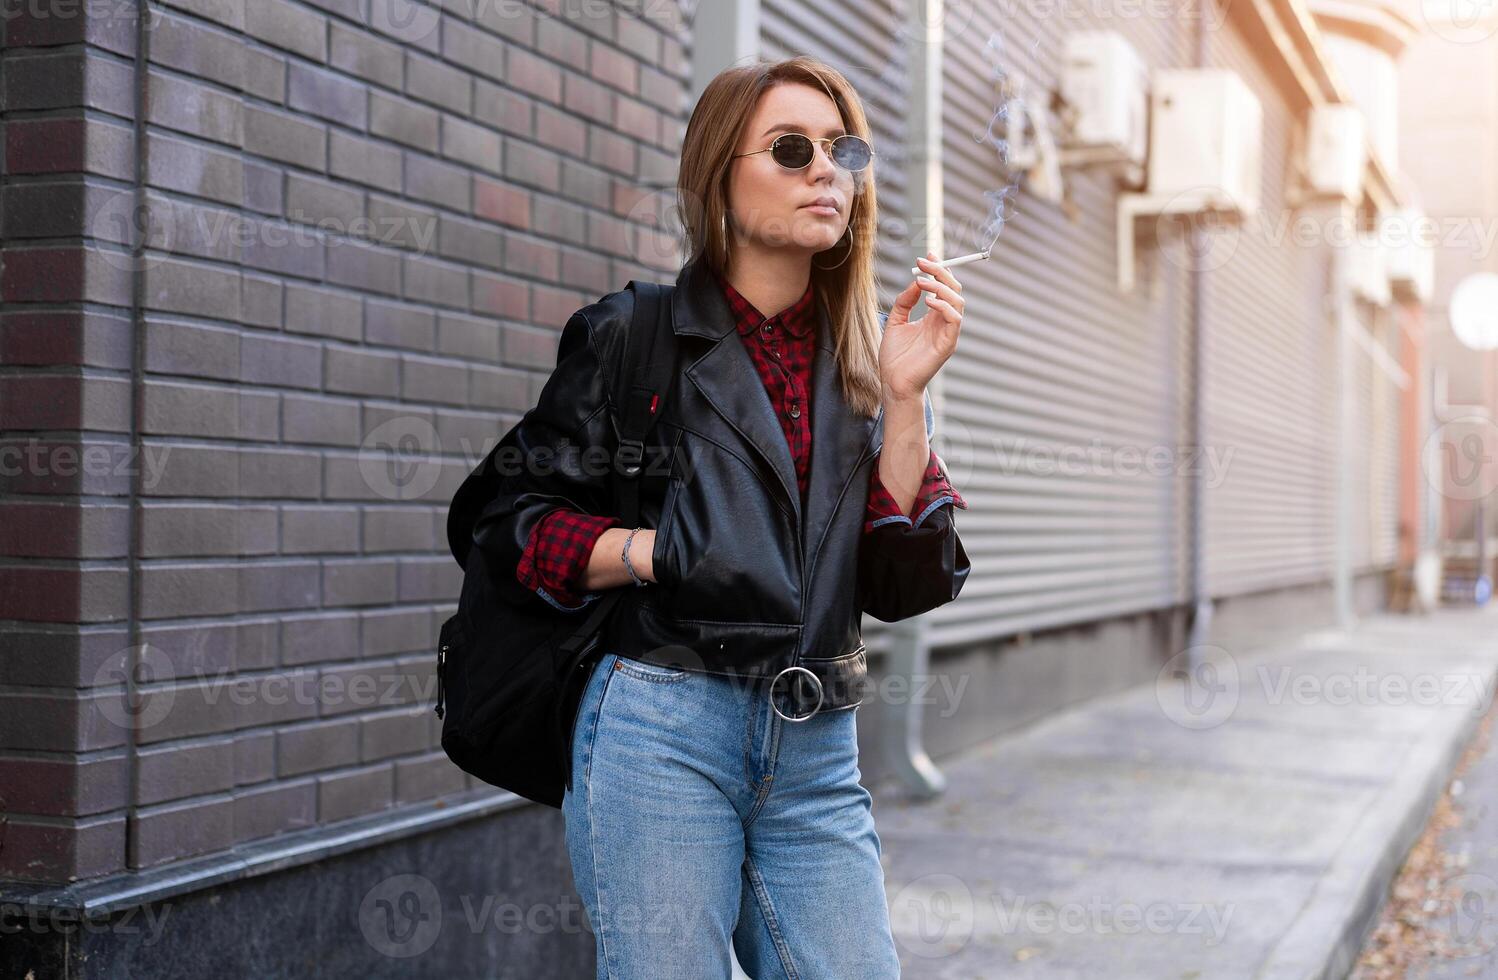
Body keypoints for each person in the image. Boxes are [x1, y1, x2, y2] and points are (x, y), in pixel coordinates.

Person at [472, 55, 970, 979]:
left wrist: (905, 399)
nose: (828, 170)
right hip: (662, 726)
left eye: (842, 149)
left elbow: (904, 583)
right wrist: (652, 553)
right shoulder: (635, 335)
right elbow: (509, 522)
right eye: (791, 149)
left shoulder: (869, 367)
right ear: (718, 176)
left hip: (818, 748)